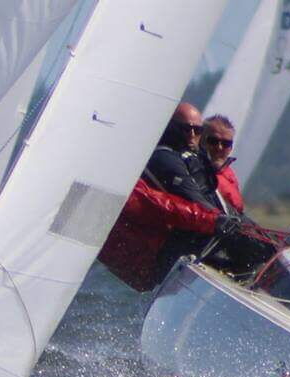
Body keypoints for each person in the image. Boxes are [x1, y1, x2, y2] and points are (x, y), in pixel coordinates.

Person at [97, 102, 270, 290]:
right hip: (155, 258)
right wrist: (213, 220)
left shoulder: (210, 168)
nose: (193, 135)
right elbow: (166, 205)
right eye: (187, 129)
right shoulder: (161, 160)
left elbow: (229, 209)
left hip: (188, 238)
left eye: (198, 130)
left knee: (264, 249)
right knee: (253, 248)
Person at [201, 115, 244, 213]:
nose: (219, 147)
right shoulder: (193, 170)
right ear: (201, 139)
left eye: (226, 143)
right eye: (213, 141)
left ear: (231, 147)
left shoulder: (229, 174)